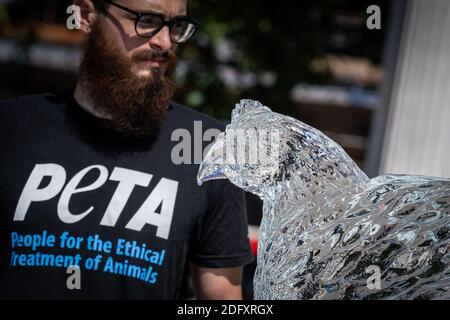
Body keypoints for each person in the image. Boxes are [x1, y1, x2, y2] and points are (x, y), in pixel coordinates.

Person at [0, 0, 253, 299]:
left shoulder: (206, 145)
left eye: (176, 26)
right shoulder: (12, 126)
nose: (164, 42)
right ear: (85, 15)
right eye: (146, 20)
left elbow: (222, 298)